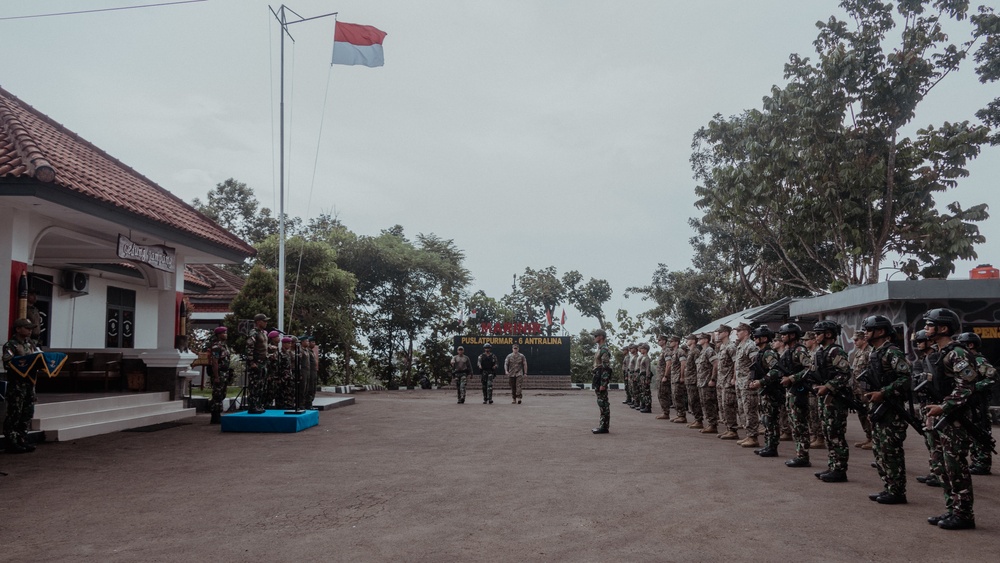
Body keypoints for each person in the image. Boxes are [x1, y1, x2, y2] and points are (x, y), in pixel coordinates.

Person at [924, 308, 978, 530]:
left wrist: (944, 406)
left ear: (943, 328)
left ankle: (964, 514)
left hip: (954, 419)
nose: (926, 328)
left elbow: (967, 385)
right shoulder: (940, 353)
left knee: (955, 466)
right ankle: (951, 510)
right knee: (941, 466)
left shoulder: (958, 353)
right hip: (941, 418)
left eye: (930, 324)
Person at [858, 315, 911, 503]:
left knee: (891, 451)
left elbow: (906, 378)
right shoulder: (875, 353)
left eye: (869, 329)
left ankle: (897, 491)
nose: (865, 333)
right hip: (879, 406)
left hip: (891, 408)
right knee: (880, 450)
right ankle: (889, 487)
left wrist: (884, 392)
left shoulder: (892, 352)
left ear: (880, 331)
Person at [809, 320, 852, 483]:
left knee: (836, 434)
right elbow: (813, 373)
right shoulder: (820, 352)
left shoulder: (835, 352)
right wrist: (815, 386)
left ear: (828, 334)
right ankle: (833, 465)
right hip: (824, 398)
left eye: (818, 333)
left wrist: (828, 386)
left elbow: (844, 374)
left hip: (835, 399)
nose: (815, 336)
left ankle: (840, 469)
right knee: (827, 433)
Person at [955, 332, 996, 476]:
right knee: (973, 431)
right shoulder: (968, 361)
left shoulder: (979, 360)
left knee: (981, 430)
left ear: (970, 345)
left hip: (979, 403)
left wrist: (974, 388)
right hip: (971, 403)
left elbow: (992, 378)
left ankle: (982, 463)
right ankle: (976, 460)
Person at [2, 319, 40, 453]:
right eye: (26, 328)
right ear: (18, 329)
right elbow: (8, 363)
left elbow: (37, 357)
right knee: (15, 413)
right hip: (17, 385)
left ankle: (22, 439)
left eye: (30, 328)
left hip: (30, 383)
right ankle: (11, 441)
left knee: (27, 412)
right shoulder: (10, 345)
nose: (30, 330)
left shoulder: (30, 344)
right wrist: (23, 358)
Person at [778, 323, 812, 468]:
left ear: (792, 335)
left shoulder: (799, 350)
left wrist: (792, 378)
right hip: (790, 391)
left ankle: (803, 456)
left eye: (784, 334)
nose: (781, 337)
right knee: (794, 424)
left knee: (800, 424)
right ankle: (799, 453)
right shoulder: (788, 351)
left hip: (799, 391)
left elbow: (809, 368)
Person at [748, 326, 782, 457]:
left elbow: (775, 370)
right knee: (766, 419)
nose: (755, 339)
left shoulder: (769, 353)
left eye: (757, 337)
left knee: (772, 420)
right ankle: (768, 445)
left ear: (764, 338)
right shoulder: (760, 353)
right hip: (764, 391)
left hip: (771, 390)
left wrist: (761, 381)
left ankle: (772, 447)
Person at [734, 323, 761, 448]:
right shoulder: (740, 346)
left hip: (748, 383)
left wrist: (752, 380)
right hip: (740, 384)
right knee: (743, 409)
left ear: (746, 332)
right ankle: (748, 435)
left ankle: (753, 437)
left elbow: (755, 364)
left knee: (750, 410)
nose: (737, 333)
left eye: (739, 331)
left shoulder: (751, 345)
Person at [848, 330, 874, 450]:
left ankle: (874, 438)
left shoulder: (870, 352)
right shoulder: (859, 353)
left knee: (870, 414)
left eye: (856, 340)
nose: (854, 342)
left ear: (864, 339)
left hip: (867, 390)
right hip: (858, 390)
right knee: (862, 414)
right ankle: (868, 436)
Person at [715, 325, 739, 440]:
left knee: (729, 405)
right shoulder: (722, 347)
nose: (718, 334)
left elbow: (736, 363)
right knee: (724, 406)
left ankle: (733, 430)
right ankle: (729, 428)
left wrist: (734, 378)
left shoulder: (731, 346)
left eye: (719, 332)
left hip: (729, 381)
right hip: (722, 381)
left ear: (726, 333)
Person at [803, 331, 826, 450]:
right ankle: (816, 435)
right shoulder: (809, 353)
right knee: (812, 413)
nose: (804, 342)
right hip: (811, 387)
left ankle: (820, 437)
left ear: (813, 340)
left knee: (818, 413)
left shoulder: (819, 352)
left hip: (818, 387)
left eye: (807, 340)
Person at [207, 326, 233, 424]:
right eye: (224, 333)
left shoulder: (224, 346)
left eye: (226, 332)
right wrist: (216, 376)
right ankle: (215, 416)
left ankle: (218, 413)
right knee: (217, 394)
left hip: (225, 373)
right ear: (219, 335)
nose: (226, 334)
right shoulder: (216, 347)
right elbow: (215, 362)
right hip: (219, 373)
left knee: (222, 394)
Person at [695, 333, 718, 434]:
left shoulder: (709, 350)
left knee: (709, 403)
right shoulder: (702, 351)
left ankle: (713, 424)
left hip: (707, 382)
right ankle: (709, 423)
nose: (699, 340)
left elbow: (715, 364)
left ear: (706, 340)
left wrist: (712, 379)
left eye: (701, 338)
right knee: (704, 403)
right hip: (701, 382)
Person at [592, 328, 612, 434]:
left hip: (601, 378)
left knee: (603, 402)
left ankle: (604, 426)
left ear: (601, 337)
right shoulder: (600, 349)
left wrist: (604, 383)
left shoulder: (604, 349)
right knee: (601, 402)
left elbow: (606, 367)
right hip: (597, 377)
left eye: (595, 336)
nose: (594, 338)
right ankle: (602, 425)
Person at [684, 334, 703, 429]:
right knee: (692, 401)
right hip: (689, 379)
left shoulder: (695, 351)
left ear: (693, 340)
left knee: (695, 400)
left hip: (693, 379)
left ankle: (699, 420)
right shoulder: (690, 351)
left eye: (688, 339)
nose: (686, 341)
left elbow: (698, 367)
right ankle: (696, 419)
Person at [667, 336, 688, 423]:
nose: (670, 343)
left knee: (678, 396)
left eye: (671, 341)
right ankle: (679, 414)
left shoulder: (680, 351)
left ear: (676, 342)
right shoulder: (673, 352)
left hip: (678, 378)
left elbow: (683, 364)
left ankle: (682, 416)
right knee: (675, 397)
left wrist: (682, 376)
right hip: (674, 377)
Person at [656, 335, 674, 420]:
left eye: (660, 340)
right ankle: (664, 412)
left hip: (664, 376)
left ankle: (666, 413)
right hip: (660, 376)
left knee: (663, 394)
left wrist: (665, 376)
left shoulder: (667, 350)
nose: (658, 341)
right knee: (661, 394)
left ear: (664, 341)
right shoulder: (662, 351)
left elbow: (669, 364)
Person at [636, 343, 653, 413]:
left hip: (644, 375)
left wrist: (647, 378)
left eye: (642, 348)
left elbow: (648, 369)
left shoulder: (647, 358)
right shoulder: (643, 357)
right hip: (641, 375)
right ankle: (644, 405)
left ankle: (648, 407)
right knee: (643, 391)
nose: (641, 350)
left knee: (646, 392)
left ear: (646, 350)